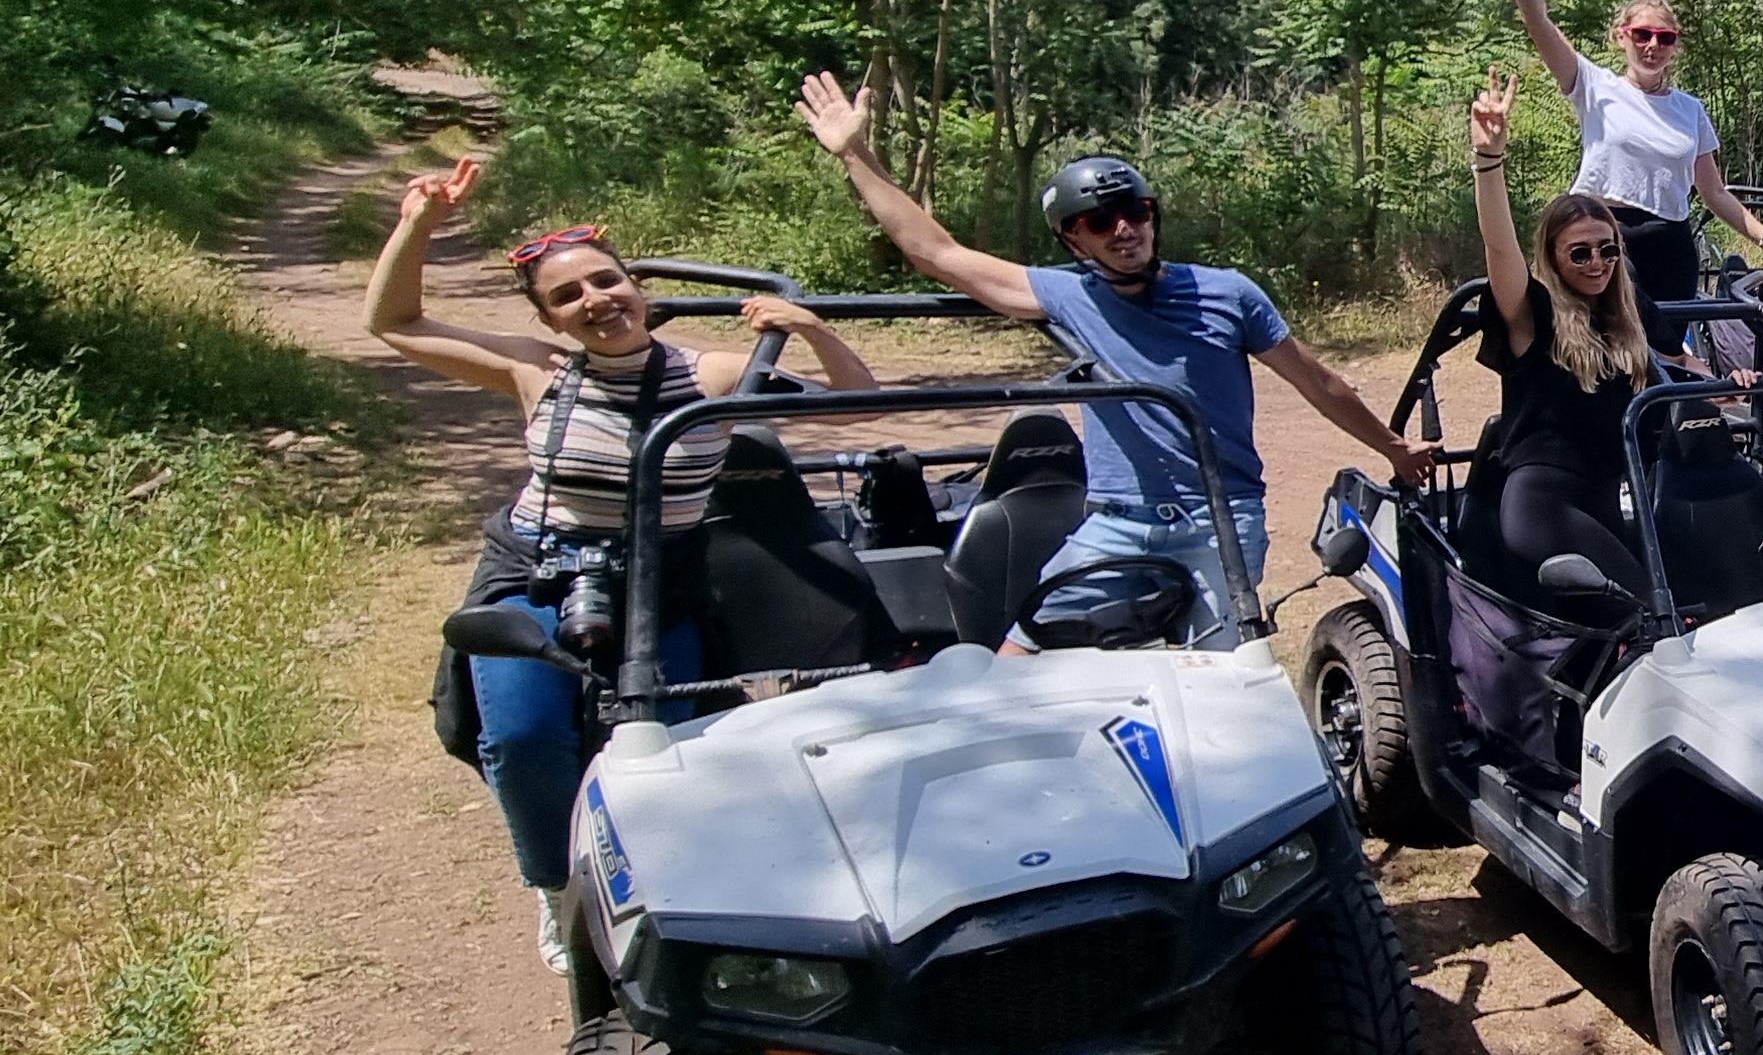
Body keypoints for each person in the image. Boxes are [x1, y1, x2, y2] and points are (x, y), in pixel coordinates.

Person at [366, 172, 879, 974]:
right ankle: (554, 885)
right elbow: (392, 322)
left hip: (660, 580)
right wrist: (419, 222)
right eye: (568, 296)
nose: (596, 301)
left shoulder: (708, 375)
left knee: (663, 747)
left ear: (636, 287)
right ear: (548, 320)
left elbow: (857, 403)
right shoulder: (539, 373)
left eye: (606, 280)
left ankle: (670, 889)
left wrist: (810, 330)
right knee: (527, 737)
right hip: (539, 573)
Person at [795, 73, 1428, 648]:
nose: (1123, 230)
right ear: (1074, 239)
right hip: (1115, 526)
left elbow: (1320, 381)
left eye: (1135, 212)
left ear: (1154, 216)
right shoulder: (1068, 294)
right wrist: (856, 154)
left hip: (1220, 522)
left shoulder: (1229, 293)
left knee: (1223, 688)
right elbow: (934, 251)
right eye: (1100, 221)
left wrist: (1393, 448)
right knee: (1015, 660)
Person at [1496, 0, 1763, 356]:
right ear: (1621, 35)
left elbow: (1713, 193)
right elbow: (1536, 18)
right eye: (1642, 34)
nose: (1652, 45)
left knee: (1664, 363)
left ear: (1676, 46)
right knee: (1607, 355)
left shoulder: (1691, 110)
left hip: (1670, 244)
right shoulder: (1593, 85)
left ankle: (1674, 424)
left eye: (1664, 38)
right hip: (1602, 237)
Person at [1461, 65, 1652, 606]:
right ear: (1552, 256)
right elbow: (1499, 248)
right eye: (1580, 252)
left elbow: (1674, 378)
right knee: (1649, 615)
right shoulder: (1534, 314)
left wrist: (1729, 383)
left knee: (1661, 611)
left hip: (1605, 500)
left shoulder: (1622, 321)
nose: (1597, 262)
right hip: (1543, 509)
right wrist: (1489, 161)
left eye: (1608, 249)